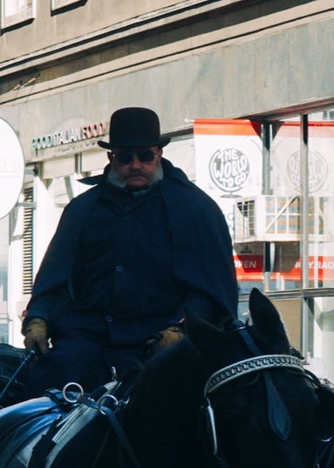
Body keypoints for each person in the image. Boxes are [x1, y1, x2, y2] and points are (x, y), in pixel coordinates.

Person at [21, 106, 238, 392]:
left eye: (145, 156)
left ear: (159, 154)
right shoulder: (82, 210)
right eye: (125, 157)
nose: (136, 165)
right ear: (111, 158)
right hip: (86, 340)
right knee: (41, 396)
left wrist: (181, 329)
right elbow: (55, 277)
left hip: (158, 344)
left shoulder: (195, 209)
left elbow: (212, 289)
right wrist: (38, 317)